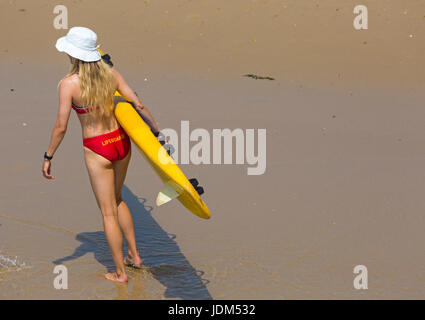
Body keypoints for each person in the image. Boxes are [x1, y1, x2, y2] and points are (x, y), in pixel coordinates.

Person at [42, 26, 161, 282]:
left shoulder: (68, 85)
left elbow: (61, 126)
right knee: (118, 200)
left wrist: (48, 156)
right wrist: (156, 130)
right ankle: (135, 256)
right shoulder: (112, 74)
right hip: (121, 142)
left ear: (73, 54)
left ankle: (120, 273)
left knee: (108, 212)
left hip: (98, 149)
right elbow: (137, 103)